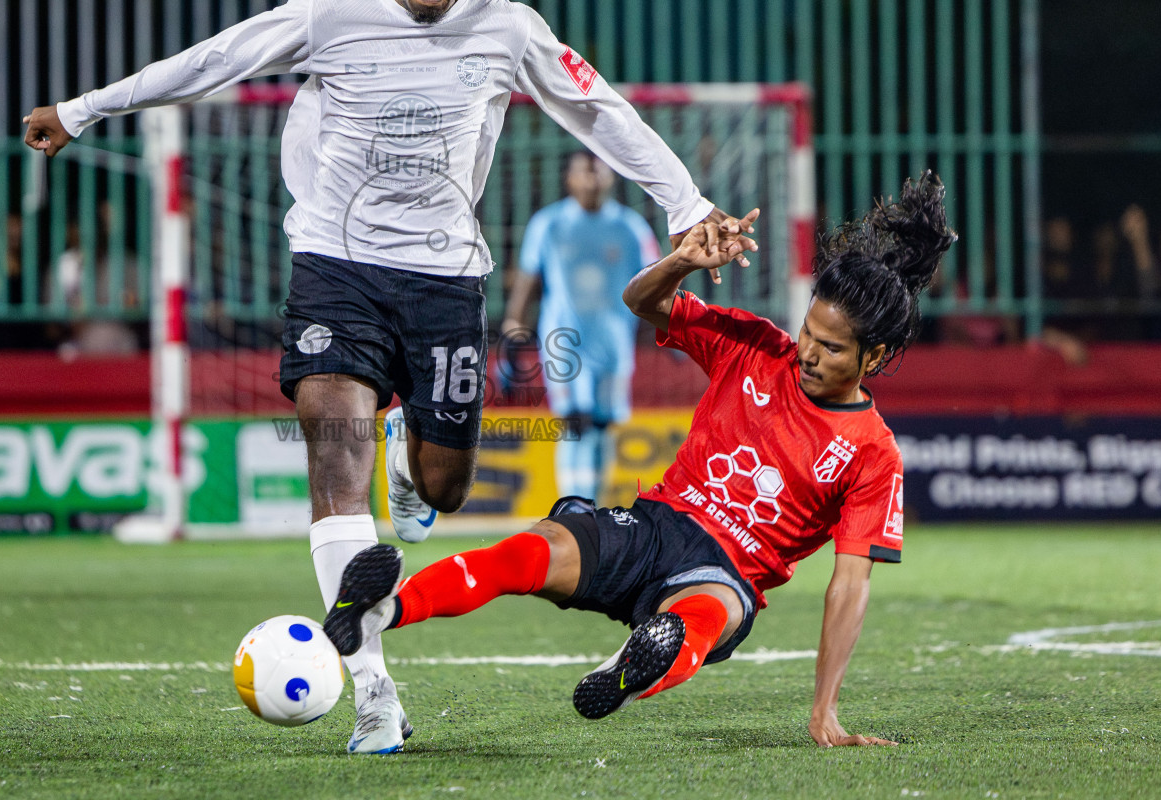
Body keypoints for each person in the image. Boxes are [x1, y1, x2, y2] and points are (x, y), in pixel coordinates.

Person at [23, 0, 749, 754]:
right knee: (333, 462)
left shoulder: (509, 29)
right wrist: (86, 108)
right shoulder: (329, 16)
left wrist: (686, 206)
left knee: (441, 488)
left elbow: (600, 111)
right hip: (335, 266)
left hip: (445, 283)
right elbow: (215, 60)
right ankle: (372, 690)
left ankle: (409, 470)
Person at [323, 173, 955, 747]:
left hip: (730, 570)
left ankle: (636, 664)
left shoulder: (873, 453)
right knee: (532, 552)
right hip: (654, 525)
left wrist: (825, 712)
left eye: (832, 349)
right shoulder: (757, 347)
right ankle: (381, 608)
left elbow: (849, 585)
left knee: (705, 616)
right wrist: (679, 261)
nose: (809, 353)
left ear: (873, 358)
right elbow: (642, 301)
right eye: (809, 333)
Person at [501, 150, 660, 503]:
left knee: (601, 426)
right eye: (584, 173)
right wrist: (513, 325)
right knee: (575, 422)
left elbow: (656, 280)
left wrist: (672, 329)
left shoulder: (630, 227)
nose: (591, 180)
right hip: (564, 342)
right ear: (569, 179)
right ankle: (573, 506)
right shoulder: (550, 224)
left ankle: (593, 502)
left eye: (598, 172)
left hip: (613, 344)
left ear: (611, 177)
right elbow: (528, 280)